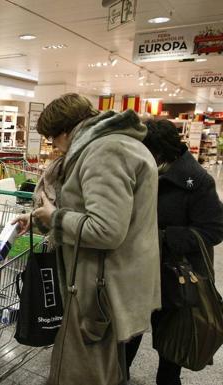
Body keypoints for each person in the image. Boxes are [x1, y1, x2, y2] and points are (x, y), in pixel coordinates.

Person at [15, 93, 160, 384]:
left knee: (80, 373)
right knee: (102, 370)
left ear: (67, 131)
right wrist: (40, 220)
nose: (55, 148)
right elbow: (90, 211)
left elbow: (106, 229)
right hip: (110, 280)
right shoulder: (115, 144)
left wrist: (54, 217)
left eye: (53, 140)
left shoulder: (105, 151)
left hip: (101, 287)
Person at [125, 118, 223, 385]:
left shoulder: (198, 181)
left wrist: (164, 237)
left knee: (170, 351)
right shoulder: (143, 172)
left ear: (158, 150)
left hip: (178, 277)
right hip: (141, 272)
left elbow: (213, 230)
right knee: (128, 336)